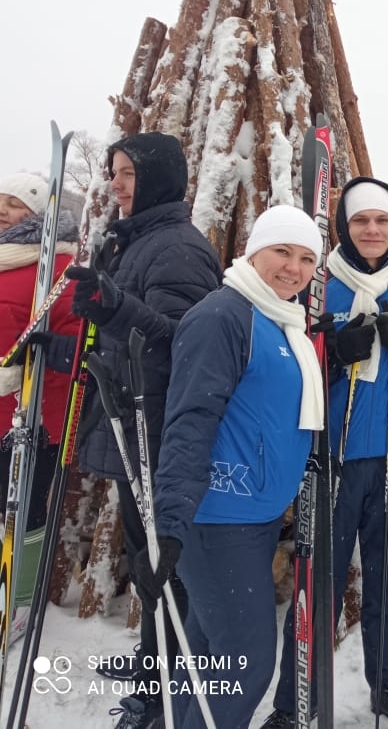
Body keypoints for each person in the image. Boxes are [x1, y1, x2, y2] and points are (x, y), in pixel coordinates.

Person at [37, 132, 223, 728]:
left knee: (164, 566)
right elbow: (118, 343)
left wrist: (116, 307)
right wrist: (60, 349)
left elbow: (183, 343)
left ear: (158, 179)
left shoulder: (178, 250)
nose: (115, 183)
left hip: (158, 430)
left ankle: (166, 687)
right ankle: (154, 659)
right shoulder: (136, 242)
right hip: (129, 420)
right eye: (114, 171)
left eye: (128, 173)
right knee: (147, 561)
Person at [261, 177, 388, 729]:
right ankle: (295, 698)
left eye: (383, 220)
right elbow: (278, 370)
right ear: (344, 227)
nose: (373, 230)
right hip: (331, 460)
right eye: (360, 220)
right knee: (317, 582)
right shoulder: (315, 286)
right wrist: (330, 355)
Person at [133, 205, 324, 727]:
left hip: (255, 518)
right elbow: (190, 420)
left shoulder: (283, 319)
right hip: (217, 519)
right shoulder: (224, 316)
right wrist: (169, 523)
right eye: (282, 251)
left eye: (307, 258)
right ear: (252, 251)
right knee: (245, 662)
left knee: (208, 655)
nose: (294, 268)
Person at [0, 173, 80, 642]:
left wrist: (25, 370)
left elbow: (75, 349)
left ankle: (19, 599)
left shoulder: (60, 269)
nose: (3, 211)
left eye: (15, 204)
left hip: (33, 418)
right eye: (0, 201)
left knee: (22, 508)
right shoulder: (4, 258)